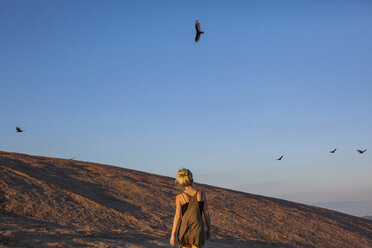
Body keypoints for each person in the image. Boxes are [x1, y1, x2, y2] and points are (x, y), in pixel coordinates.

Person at [170, 168, 211, 248]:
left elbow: (177, 216)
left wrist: (173, 234)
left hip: (184, 229)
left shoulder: (179, 197)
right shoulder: (201, 195)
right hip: (197, 229)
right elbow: (206, 213)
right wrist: (209, 228)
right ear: (192, 179)